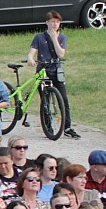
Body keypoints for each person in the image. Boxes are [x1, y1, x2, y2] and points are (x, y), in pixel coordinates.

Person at [27, 11, 80, 139]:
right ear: (47, 23)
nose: (55, 24)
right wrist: (30, 58)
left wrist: (54, 38)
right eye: (52, 22)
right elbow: (32, 52)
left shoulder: (62, 37)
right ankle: (48, 126)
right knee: (45, 100)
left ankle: (67, 127)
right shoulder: (39, 37)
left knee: (64, 99)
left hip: (56, 70)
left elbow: (61, 54)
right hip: (43, 70)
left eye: (57, 22)